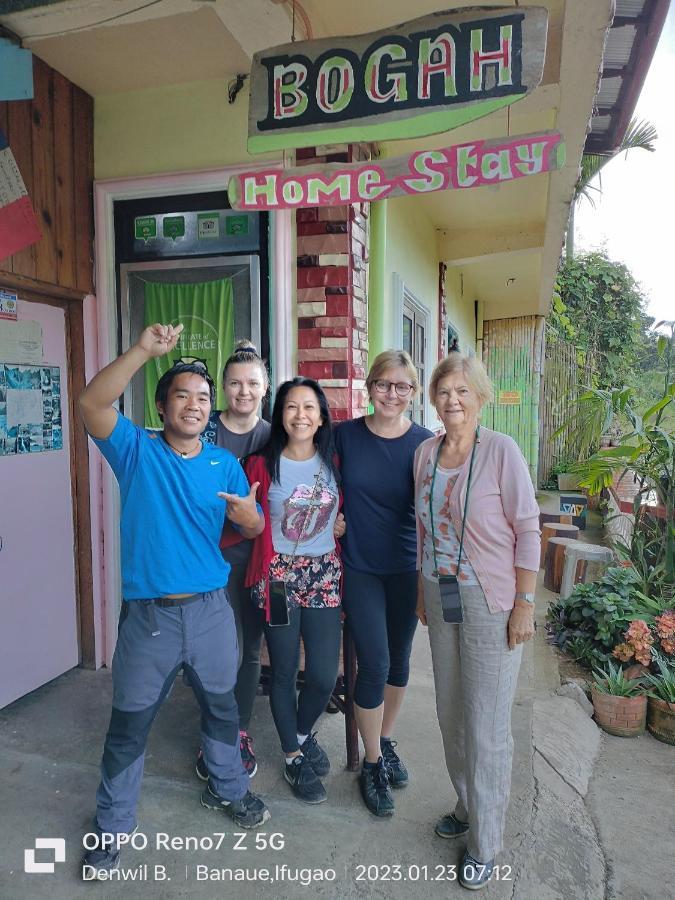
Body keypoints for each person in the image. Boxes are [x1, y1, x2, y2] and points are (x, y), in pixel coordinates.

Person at [78, 323, 270, 879]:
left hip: (212, 612)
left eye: (203, 398)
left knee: (222, 710)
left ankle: (231, 788)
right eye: (182, 395)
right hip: (151, 620)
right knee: (129, 727)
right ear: (161, 406)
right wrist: (142, 349)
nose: (195, 404)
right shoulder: (136, 450)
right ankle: (111, 830)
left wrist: (249, 517)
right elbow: (91, 401)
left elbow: (255, 524)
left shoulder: (223, 464)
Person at [414, 353, 540, 891]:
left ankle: (485, 842)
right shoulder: (424, 452)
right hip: (438, 594)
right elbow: (420, 522)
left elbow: (528, 528)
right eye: (443, 391)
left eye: (462, 391)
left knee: (486, 725)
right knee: (449, 712)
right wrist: (423, 590)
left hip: (491, 602)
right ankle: (467, 805)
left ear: (480, 397)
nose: (452, 400)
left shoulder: (502, 452)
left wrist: (525, 604)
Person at [334, 350, 433, 817]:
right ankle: (372, 763)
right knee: (373, 662)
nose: (391, 394)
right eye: (383, 385)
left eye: (402, 387)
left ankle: (384, 739)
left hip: (406, 568)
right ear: (368, 387)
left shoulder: (425, 443)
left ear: (413, 394)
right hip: (360, 567)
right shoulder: (345, 436)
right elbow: (311, 477)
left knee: (399, 664)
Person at [244, 377, 343, 805]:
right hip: (280, 577)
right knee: (284, 671)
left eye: (308, 407)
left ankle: (300, 734)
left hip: (323, 572)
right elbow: (245, 522)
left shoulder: (335, 460)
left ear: (321, 416)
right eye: (290, 407)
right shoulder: (262, 465)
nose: (299, 415)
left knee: (323, 674)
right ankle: (291, 756)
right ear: (279, 415)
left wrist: (343, 526)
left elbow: (349, 507)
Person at [196, 340, 271, 780]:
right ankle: (212, 732)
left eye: (252, 384)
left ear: (265, 388)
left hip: (254, 558)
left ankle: (237, 730)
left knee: (247, 650)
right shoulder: (204, 430)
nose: (244, 391)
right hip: (206, 556)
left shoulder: (274, 435)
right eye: (235, 383)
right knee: (215, 651)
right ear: (223, 388)